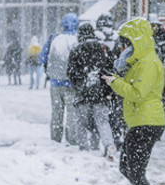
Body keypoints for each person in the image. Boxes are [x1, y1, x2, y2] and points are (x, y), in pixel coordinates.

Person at [102, 18, 165, 185]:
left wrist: (114, 82)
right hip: (140, 121)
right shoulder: (140, 61)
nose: (125, 47)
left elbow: (137, 94)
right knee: (127, 167)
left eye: (128, 42)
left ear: (137, 40)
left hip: (146, 122)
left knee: (136, 171)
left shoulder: (148, 63)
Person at [67, 23, 117, 158]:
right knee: (102, 121)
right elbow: (110, 70)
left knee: (81, 122)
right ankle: (109, 144)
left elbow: (70, 72)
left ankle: (84, 148)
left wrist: (78, 84)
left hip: (82, 93)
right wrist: (107, 90)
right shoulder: (103, 49)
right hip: (100, 93)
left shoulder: (76, 50)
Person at [41, 13, 80, 144]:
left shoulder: (53, 38)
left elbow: (42, 57)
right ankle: (72, 139)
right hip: (72, 85)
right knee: (72, 113)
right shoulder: (77, 40)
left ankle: (55, 138)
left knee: (56, 112)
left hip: (55, 83)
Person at [95, 12, 125, 148]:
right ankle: (116, 137)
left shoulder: (98, 37)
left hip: (101, 79)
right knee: (114, 112)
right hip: (113, 78)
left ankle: (101, 138)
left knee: (101, 113)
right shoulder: (116, 38)